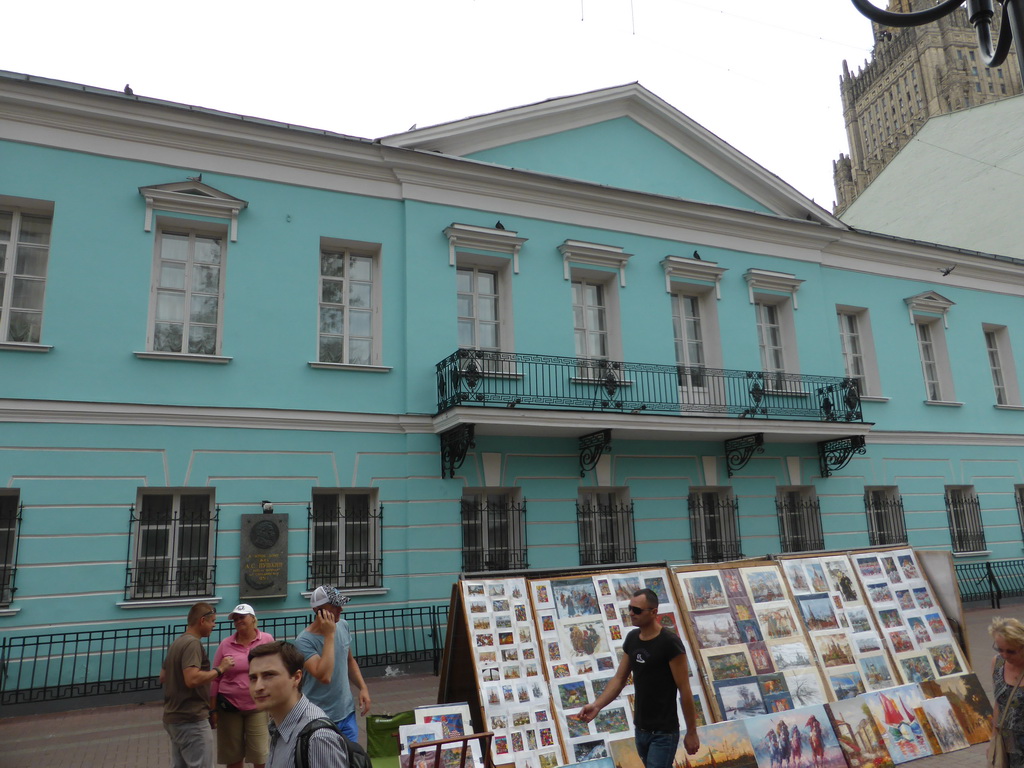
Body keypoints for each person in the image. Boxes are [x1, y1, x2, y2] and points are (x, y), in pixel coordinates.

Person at [579, 588, 699, 767]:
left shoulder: (669, 643)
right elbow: (619, 679)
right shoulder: (633, 638)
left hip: (663, 732)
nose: (631, 613)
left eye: (637, 610)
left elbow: (685, 690)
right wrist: (597, 705)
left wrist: (691, 732)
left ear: (654, 612)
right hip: (641, 729)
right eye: (630, 608)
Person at [248, 640, 347, 768]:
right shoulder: (279, 726)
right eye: (253, 678)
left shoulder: (318, 738)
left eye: (269, 675)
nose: (258, 687)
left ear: (296, 677)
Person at [161, 601, 236, 768]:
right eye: (212, 621)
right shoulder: (192, 644)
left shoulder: (177, 642)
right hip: (191, 719)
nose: (214, 626)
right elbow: (192, 679)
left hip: (174, 718)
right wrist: (220, 669)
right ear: (202, 620)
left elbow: (163, 676)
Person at [294, 585, 372, 740]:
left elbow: (349, 661)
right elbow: (324, 676)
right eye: (335, 605)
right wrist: (329, 636)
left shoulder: (343, 625)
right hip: (319, 718)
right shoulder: (304, 641)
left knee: (349, 761)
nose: (341, 609)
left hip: (346, 713)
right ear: (318, 610)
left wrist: (363, 688)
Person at [211, 603, 276, 768]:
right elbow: (215, 678)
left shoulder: (266, 640)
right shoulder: (226, 644)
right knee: (233, 757)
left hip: (258, 706)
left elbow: (276, 670)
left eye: (242, 617)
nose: (239, 621)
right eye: (236, 619)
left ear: (253, 619)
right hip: (230, 707)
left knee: (260, 755)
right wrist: (213, 709)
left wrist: (276, 702)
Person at [991, 617, 1024, 767]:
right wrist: (993, 739)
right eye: (1000, 649)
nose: (1004, 655)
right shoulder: (997, 663)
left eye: (1010, 651)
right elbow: (999, 703)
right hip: (1006, 742)